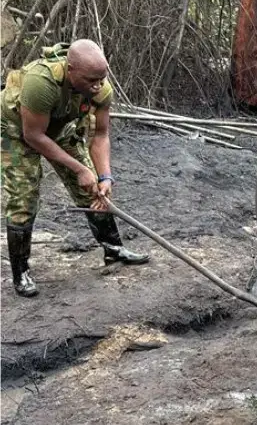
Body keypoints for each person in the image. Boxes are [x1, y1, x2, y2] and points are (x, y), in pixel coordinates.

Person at [1, 40, 149, 297]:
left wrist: (105, 177)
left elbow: (100, 135)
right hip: (16, 130)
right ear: (70, 70)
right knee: (23, 198)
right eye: (91, 79)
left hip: (58, 128)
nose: (98, 85)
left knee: (94, 191)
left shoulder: (101, 89)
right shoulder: (41, 82)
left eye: (102, 78)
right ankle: (21, 272)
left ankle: (113, 250)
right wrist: (79, 169)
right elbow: (33, 135)